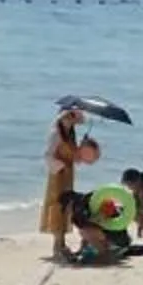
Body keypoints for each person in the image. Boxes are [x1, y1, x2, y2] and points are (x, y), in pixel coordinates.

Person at [41, 107, 98, 260]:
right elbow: (47, 156)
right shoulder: (56, 133)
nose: (72, 121)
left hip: (68, 174)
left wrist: (82, 150)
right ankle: (57, 244)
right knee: (57, 206)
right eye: (70, 117)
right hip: (57, 175)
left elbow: (76, 158)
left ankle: (62, 244)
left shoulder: (69, 134)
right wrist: (61, 165)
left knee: (66, 206)